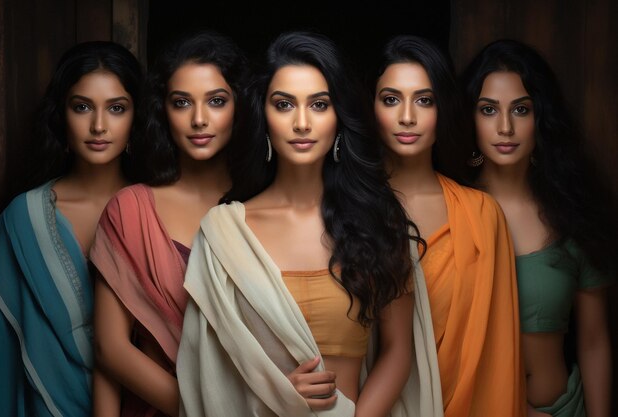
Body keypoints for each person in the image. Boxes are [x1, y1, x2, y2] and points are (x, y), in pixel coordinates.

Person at [177, 31, 431, 417]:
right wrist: (275, 393)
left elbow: (398, 351)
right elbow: (206, 373)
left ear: (339, 117)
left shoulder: (378, 222)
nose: (301, 123)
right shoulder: (225, 233)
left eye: (319, 105)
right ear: (263, 115)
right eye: (283, 105)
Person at [89, 32, 248, 417]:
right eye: (181, 103)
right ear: (162, 110)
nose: (199, 119)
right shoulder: (131, 209)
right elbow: (111, 348)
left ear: (242, 106)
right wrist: (210, 408)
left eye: (216, 101)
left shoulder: (264, 204)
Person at [372, 35, 525, 417]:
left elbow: (498, 361)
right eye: (391, 99)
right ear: (370, 108)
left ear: (445, 109)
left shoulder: (482, 214)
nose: (407, 116)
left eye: (425, 100)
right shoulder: (347, 210)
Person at [462, 39, 615, 417]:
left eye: (521, 109)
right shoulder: (451, 209)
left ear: (541, 118)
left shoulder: (572, 212)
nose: (505, 127)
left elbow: (594, 340)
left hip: (564, 408)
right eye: (488, 110)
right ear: (470, 118)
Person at [0, 41, 141, 417]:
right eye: (82, 107)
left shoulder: (159, 211)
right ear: (61, 114)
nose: (99, 126)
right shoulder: (22, 219)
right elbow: (1, 357)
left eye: (117, 108)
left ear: (138, 117)